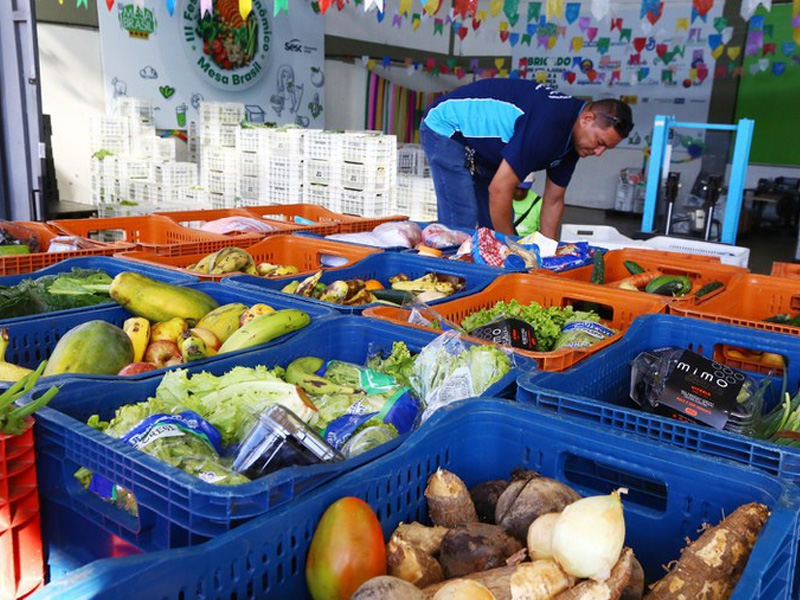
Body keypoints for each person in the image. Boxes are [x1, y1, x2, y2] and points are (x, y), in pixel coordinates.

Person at [420, 80, 633, 238]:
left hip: (483, 146)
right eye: (600, 142)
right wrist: (514, 249)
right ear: (587, 119)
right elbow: (499, 189)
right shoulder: (550, 124)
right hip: (446, 125)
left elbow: (554, 200)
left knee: (495, 220)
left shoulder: (573, 142)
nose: (598, 152)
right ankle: (452, 280)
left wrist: (548, 255)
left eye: (606, 149)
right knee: (462, 219)